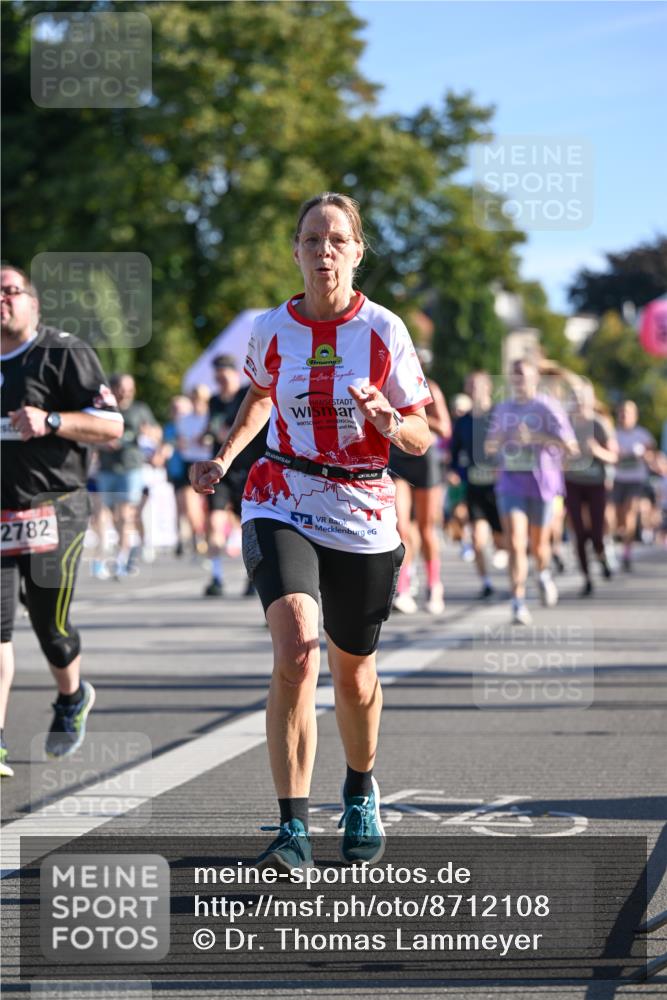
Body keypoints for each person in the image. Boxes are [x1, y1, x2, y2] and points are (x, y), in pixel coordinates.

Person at [190, 192, 432, 869]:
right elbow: (260, 395)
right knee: (297, 647)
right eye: (310, 239)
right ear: (295, 251)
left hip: (361, 509)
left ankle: (359, 788)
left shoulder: (382, 330)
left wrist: (388, 420)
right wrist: (224, 455)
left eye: (336, 240)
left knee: (352, 673)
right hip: (281, 491)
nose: (322, 251)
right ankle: (291, 827)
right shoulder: (272, 326)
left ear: (356, 252)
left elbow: (420, 432)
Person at [0, 264, 123, 777]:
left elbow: (111, 426)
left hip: (56, 509)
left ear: (34, 303)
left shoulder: (62, 352)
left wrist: (50, 420)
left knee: (49, 625)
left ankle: (71, 696)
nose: (2, 300)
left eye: (11, 291)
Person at [485, 358, 578, 626]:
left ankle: (544, 573)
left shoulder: (548, 406)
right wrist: (505, 438)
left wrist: (534, 439)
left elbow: (570, 447)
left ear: (535, 378)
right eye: (514, 376)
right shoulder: (503, 409)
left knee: (539, 546)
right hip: (511, 482)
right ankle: (518, 601)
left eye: (523, 376)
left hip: (543, 483)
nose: (518, 381)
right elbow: (491, 447)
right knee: (515, 541)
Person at [389, 351, 451, 615]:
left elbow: (445, 428)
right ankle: (403, 587)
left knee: (425, 528)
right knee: (400, 526)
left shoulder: (430, 387)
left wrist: (411, 419)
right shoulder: (387, 385)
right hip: (397, 462)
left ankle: (434, 585)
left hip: (424, 460)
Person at [204, 353, 268, 597]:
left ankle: (252, 577)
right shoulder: (213, 401)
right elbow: (211, 429)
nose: (221, 379)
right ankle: (216, 577)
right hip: (220, 470)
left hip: (248, 469)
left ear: (234, 373)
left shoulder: (246, 395)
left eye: (224, 374)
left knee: (249, 528)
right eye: (217, 375)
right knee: (214, 522)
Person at [96, 373, 158, 576]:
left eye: (129, 389)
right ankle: (128, 548)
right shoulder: (104, 409)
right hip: (107, 467)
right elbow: (91, 434)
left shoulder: (140, 409)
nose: (125, 393)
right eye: (122, 389)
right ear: (113, 389)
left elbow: (155, 431)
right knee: (112, 515)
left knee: (125, 513)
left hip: (131, 467)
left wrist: (149, 435)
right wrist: (102, 442)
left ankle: (121, 559)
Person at [450, 371, 505, 599]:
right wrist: (452, 471)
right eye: (469, 385)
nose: (473, 389)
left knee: (505, 539)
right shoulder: (463, 421)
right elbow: (455, 452)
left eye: (477, 385)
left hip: (501, 486)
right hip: (475, 485)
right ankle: (486, 582)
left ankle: (512, 568)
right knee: (477, 538)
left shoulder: (499, 415)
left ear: (488, 388)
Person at [564, 383, 618, 595]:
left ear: (590, 400)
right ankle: (586, 578)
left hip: (596, 483)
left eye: (581, 398)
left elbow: (614, 456)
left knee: (596, 532)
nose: (577, 402)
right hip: (572, 483)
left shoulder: (600, 423)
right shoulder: (566, 424)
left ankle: (601, 555)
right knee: (578, 532)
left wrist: (596, 450)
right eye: (574, 398)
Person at [612, 400, 656, 571]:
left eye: (627, 412)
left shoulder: (642, 434)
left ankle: (627, 553)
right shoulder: (613, 434)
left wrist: (644, 454)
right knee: (617, 519)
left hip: (636, 481)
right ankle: (619, 540)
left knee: (630, 513)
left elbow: (652, 455)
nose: (624, 416)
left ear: (634, 416)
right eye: (621, 412)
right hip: (617, 479)